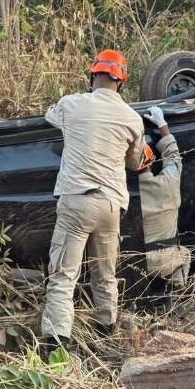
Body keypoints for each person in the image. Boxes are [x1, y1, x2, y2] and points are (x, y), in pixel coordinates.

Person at [41, 49, 145, 355]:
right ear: (122, 83)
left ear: (92, 76)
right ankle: (106, 332)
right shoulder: (133, 118)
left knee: (63, 275)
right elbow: (136, 162)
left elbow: (50, 115)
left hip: (76, 201)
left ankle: (56, 346)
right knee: (105, 273)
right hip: (111, 204)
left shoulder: (71, 104)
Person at [139, 106, 190, 308]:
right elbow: (173, 156)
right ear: (152, 161)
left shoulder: (130, 192)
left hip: (141, 261)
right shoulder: (171, 181)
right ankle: (173, 298)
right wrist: (162, 125)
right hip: (169, 260)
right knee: (184, 253)